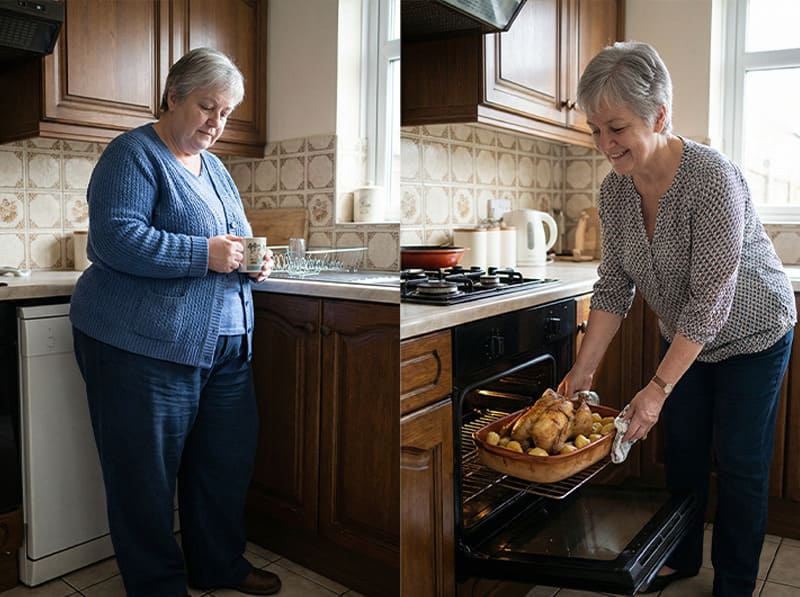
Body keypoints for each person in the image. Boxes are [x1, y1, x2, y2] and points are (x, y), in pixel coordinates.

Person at [557, 41, 796, 597]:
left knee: (739, 463)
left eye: (616, 128)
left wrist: (658, 386)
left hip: (754, 333)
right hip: (685, 338)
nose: (605, 145)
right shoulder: (616, 191)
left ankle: (734, 583)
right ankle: (681, 558)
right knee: (683, 455)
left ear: (659, 117)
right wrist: (582, 372)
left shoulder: (713, 179)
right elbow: (614, 287)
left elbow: (711, 301)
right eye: (595, 130)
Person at [70, 47, 281, 597]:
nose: (217, 122)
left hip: (225, 346)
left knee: (223, 465)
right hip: (142, 345)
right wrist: (203, 255)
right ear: (173, 97)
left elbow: (229, 240)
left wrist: (250, 262)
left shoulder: (214, 167)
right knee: (144, 478)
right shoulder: (133, 154)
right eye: (207, 107)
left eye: (227, 112)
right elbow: (113, 239)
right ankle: (157, 587)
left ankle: (220, 567)